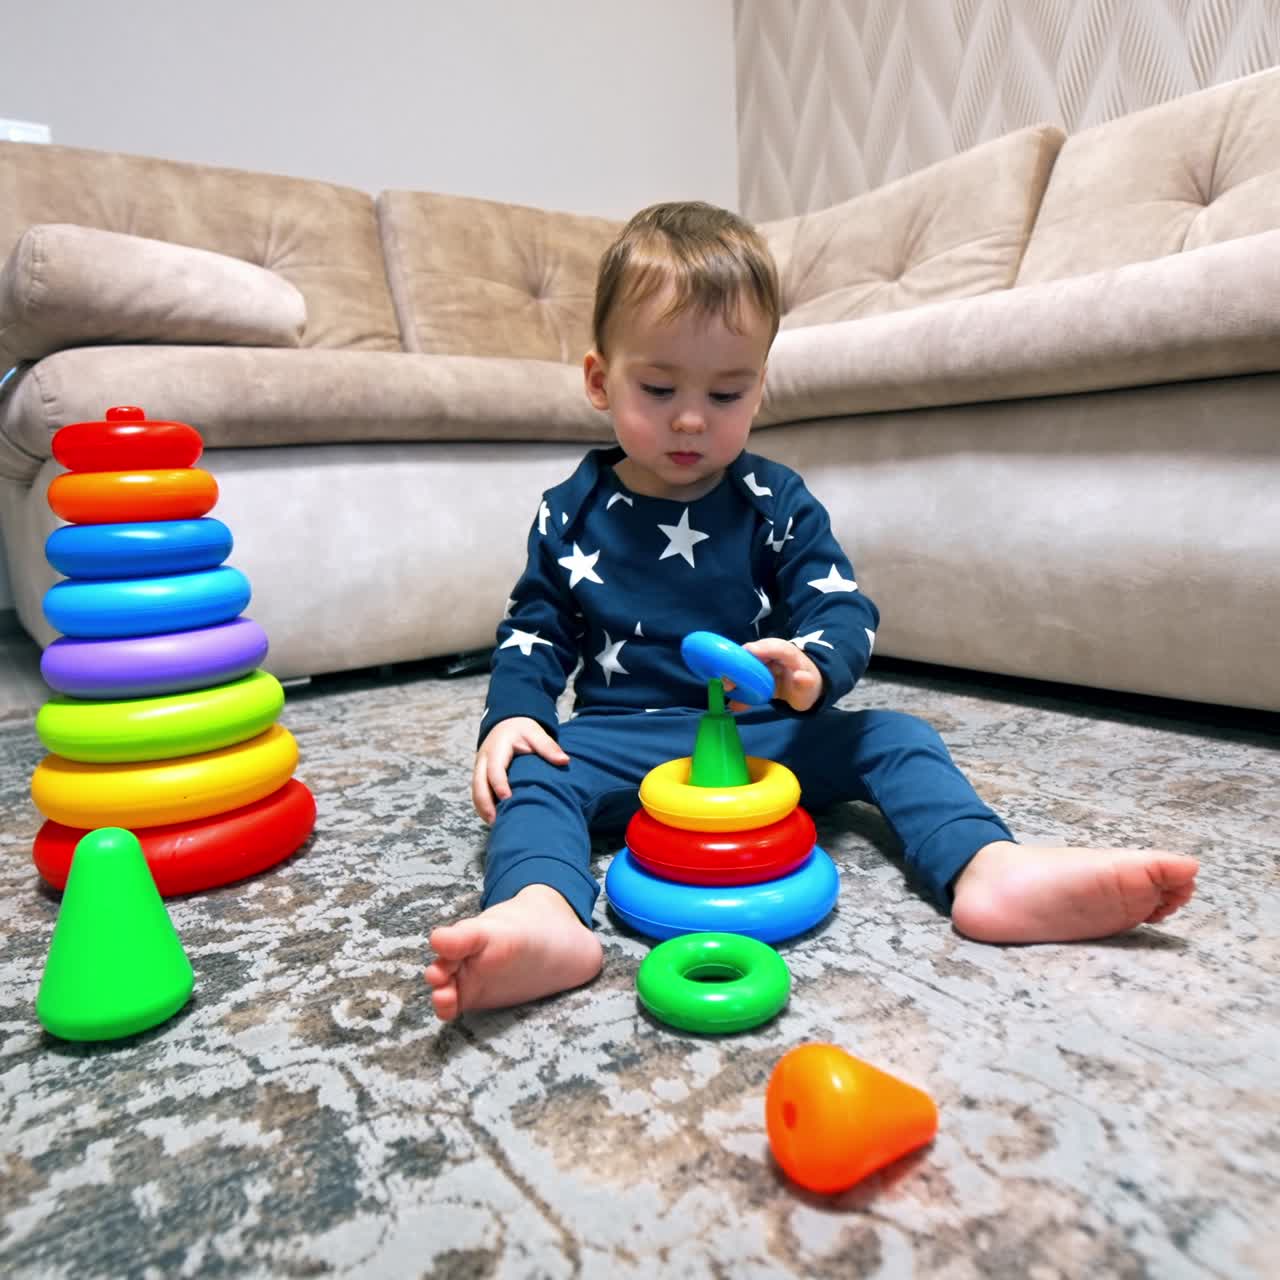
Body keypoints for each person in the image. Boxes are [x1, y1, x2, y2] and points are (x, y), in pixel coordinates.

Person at [425, 201, 1198, 1021]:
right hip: (625, 738)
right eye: (658, 388)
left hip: (764, 734)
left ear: (760, 387)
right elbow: (533, 628)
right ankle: (542, 914)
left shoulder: (775, 500)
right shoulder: (570, 510)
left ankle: (987, 869)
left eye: (726, 392)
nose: (691, 417)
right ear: (597, 380)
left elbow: (841, 605)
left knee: (897, 736)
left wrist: (808, 666)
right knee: (533, 777)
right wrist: (512, 716)